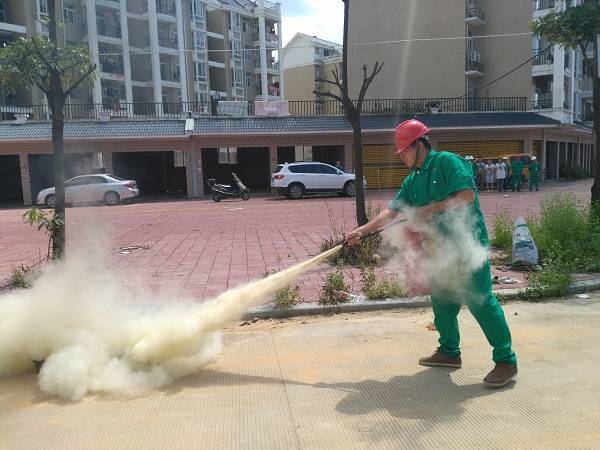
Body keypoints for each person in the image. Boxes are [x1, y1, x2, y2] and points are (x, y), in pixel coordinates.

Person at [345, 119, 517, 388]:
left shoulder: (447, 162)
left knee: (480, 301)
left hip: (466, 244)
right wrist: (362, 230)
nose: (401, 156)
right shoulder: (413, 180)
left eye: (403, 150)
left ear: (418, 144)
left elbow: (467, 196)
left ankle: (506, 360)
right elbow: (392, 212)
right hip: (439, 248)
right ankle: (449, 352)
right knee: (442, 299)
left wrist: (431, 208)